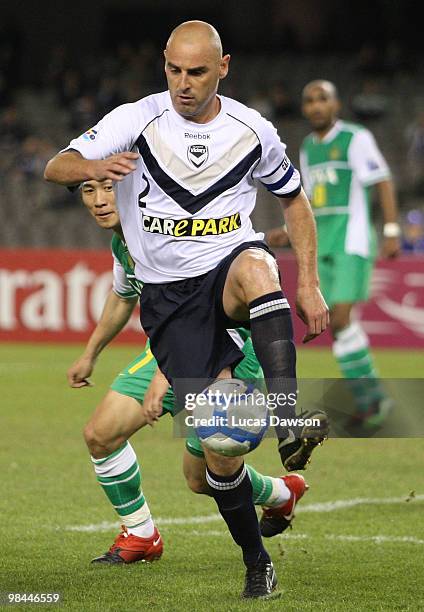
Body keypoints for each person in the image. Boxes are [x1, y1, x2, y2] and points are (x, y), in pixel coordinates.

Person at [45, 21, 328, 599]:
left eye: (196, 72)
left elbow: (294, 198)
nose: (183, 83)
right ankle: (257, 559)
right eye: (173, 70)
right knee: (216, 458)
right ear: (164, 64)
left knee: (257, 267)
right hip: (173, 303)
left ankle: (291, 416)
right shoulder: (135, 120)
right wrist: (93, 168)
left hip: (225, 268)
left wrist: (312, 284)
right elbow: (58, 166)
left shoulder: (253, 130)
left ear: (224, 66)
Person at [72, 178, 308, 567]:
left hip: (229, 346)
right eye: (89, 190)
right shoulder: (124, 241)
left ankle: (281, 495)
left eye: (110, 189)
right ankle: (141, 533)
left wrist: (167, 374)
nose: (99, 201)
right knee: (100, 435)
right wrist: (90, 353)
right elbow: (122, 294)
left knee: (202, 479)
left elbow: (199, 308)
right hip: (167, 348)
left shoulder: (170, 228)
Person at [267, 80, 401, 430]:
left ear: (336, 105)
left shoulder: (355, 138)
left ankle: (374, 401)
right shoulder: (310, 146)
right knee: (339, 329)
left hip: (351, 242)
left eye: (322, 99)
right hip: (320, 246)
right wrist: (289, 230)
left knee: (340, 320)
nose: (315, 106)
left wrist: (390, 229)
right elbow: (307, 199)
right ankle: (370, 402)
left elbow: (382, 181)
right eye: (309, 100)